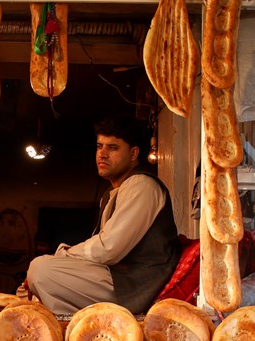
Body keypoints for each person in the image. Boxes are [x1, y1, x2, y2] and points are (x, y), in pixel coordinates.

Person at [24, 115, 181, 315]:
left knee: (41, 270)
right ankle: (75, 328)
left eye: (113, 148)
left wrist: (63, 255)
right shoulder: (112, 193)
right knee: (37, 282)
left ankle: (77, 325)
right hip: (118, 278)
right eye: (99, 146)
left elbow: (109, 249)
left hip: (135, 285)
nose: (102, 154)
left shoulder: (142, 186)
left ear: (133, 154)